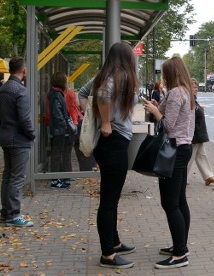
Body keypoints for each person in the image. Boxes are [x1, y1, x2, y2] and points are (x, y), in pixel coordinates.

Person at [78, 43, 138, 269]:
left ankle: (114, 242)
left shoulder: (106, 74)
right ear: (126, 58)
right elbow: (102, 95)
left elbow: (82, 94)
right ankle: (107, 255)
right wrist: (103, 122)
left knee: (111, 198)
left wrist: (90, 115)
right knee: (109, 200)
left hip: (110, 142)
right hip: (113, 142)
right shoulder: (119, 76)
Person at [143, 57, 195, 270]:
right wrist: (157, 107)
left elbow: (168, 125)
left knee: (170, 203)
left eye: (164, 74)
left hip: (174, 150)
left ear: (171, 74)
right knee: (180, 200)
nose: (162, 78)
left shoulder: (175, 93)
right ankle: (180, 245)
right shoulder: (185, 91)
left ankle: (180, 254)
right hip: (184, 148)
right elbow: (166, 114)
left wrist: (155, 112)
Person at [0, 57, 35, 227]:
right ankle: (14, 215)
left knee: (8, 176)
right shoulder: (21, 90)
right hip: (19, 139)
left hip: (5, 137)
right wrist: (32, 134)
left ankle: (5, 213)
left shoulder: (4, 88)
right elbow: (25, 119)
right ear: (24, 70)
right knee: (17, 178)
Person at [188, 78, 214, 185]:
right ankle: (181, 176)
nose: (196, 89)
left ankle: (208, 176)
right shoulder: (189, 100)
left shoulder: (193, 100)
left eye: (197, 87)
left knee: (201, 155)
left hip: (198, 134)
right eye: (194, 87)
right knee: (190, 157)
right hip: (194, 134)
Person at [47, 72, 74, 189]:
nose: (67, 83)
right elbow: (57, 114)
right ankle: (55, 180)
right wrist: (65, 125)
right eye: (66, 81)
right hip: (59, 130)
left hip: (57, 129)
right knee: (57, 155)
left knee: (57, 154)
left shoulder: (54, 93)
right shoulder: (57, 95)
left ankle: (57, 178)